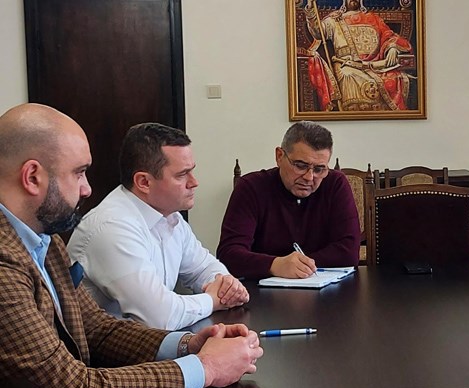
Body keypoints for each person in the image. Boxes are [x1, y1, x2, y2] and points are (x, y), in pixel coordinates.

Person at [0, 103, 263, 388]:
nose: (87, 189)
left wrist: (189, 345)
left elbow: (95, 329)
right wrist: (206, 368)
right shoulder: (5, 262)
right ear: (32, 177)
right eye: (79, 173)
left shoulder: (45, 238)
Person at [67, 123, 249, 331]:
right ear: (144, 182)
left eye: (192, 171)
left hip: (147, 342)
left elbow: (204, 268)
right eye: (182, 175)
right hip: (105, 349)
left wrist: (226, 285)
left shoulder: (169, 216)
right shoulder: (111, 227)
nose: (194, 182)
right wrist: (213, 299)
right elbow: (160, 318)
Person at [218, 121, 360, 279]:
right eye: (300, 166)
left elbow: (349, 252)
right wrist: (275, 265)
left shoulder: (335, 184)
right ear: (279, 156)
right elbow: (229, 254)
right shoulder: (251, 187)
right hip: (263, 288)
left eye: (319, 169)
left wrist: (298, 266)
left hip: (326, 287)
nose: (309, 177)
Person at [304, 0, 414, 111]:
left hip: (374, 65)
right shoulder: (335, 19)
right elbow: (318, 31)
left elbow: (389, 35)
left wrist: (393, 47)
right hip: (346, 65)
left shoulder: (373, 18)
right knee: (348, 75)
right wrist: (310, 8)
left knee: (399, 78)